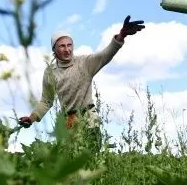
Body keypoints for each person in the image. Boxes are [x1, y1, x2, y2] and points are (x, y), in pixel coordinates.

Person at [18, 15, 146, 149]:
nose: (67, 50)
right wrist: (31, 118)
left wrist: (122, 35)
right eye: (62, 46)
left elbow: (105, 55)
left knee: (90, 162)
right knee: (70, 164)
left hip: (89, 121)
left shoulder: (84, 63)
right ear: (54, 50)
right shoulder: (50, 72)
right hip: (68, 123)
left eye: (69, 45)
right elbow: (46, 101)